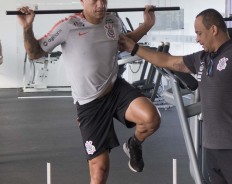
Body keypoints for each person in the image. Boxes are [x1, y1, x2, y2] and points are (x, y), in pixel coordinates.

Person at [17, 1, 161, 184]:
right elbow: (34, 53)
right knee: (99, 172)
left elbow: (125, 42)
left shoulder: (113, 20)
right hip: (90, 104)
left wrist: (147, 25)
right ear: (82, 1)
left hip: (115, 89)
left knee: (151, 119)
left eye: (104, 0)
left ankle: (134, 144)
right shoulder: (67, 26)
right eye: (94, 0)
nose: (101, 4)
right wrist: (27, 28)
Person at [119, 8, 232, 184]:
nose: (197, 39)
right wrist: (133, 47)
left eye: (199, 33)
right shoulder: (202, 59)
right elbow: (168, 61)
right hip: (212, 148)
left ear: (213, 29)